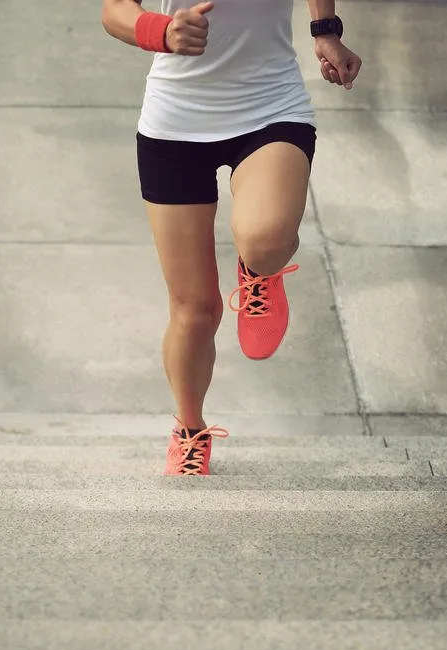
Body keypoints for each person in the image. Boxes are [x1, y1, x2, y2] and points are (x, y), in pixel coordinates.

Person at [101, 0, 362, 475]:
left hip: (270, 107)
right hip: (174, 124)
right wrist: (161, 32)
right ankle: (189, 430)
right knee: (195, 309)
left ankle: (259, 270)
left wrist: (325, 30)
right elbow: (114, 11)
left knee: (265, 239)